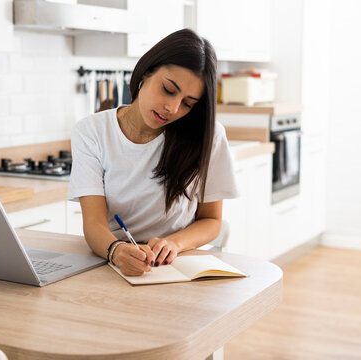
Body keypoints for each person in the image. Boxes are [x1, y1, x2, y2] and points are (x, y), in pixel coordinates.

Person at [67, 28, 239, 276]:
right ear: (147, 71)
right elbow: (93, 224)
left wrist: (174, 243)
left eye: (188, 103)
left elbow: (212, 221)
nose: (173, 107)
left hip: (178, 264)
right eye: (168, 89)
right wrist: (115, 250)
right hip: (113, 262)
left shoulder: (208, 136)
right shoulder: (91, 131)